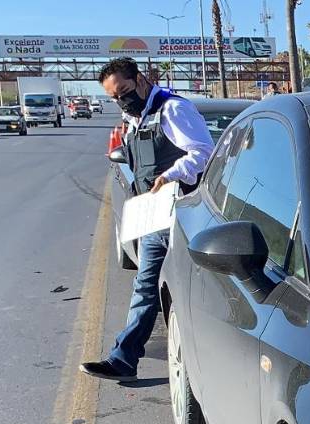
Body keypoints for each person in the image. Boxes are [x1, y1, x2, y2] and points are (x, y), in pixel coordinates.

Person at [80, 57, 214, 382]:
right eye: (113, 97)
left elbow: (203, 152)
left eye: (123, 91)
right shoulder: (135, 118)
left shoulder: (173, 110)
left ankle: (210, 368)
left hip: (186, 218)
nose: (120, 100)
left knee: (197, 294)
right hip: (156, 219)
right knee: (145, 287)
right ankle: (123, 359)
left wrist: (170, 175)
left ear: (140, 80)